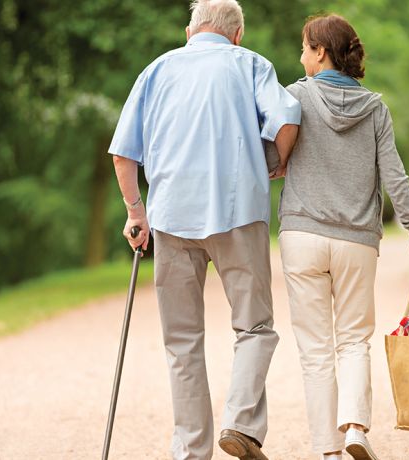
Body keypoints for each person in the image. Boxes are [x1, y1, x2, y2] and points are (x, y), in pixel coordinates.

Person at [108, 1, 300, 459]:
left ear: (188, 31)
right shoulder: (251, 64)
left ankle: (192, 452)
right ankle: (240, 423)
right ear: (237, 34)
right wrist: (275, 163)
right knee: (254, 327)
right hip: (238, 212)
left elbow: (123, 154)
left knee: (181, 341)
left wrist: (137, 212)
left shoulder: (155, 71)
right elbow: (288, 119)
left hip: (172, 217)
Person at [275, 13, 409, 460]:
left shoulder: (295, 97)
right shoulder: (376, 108)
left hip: (302, 234)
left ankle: (327, 450)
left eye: (305, 47)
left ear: (321, 53)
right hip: (357, 241)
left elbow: (272, 156)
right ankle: (356, 431)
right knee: (353, 340)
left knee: (315, 349)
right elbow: (395, 176)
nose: (300, 55)